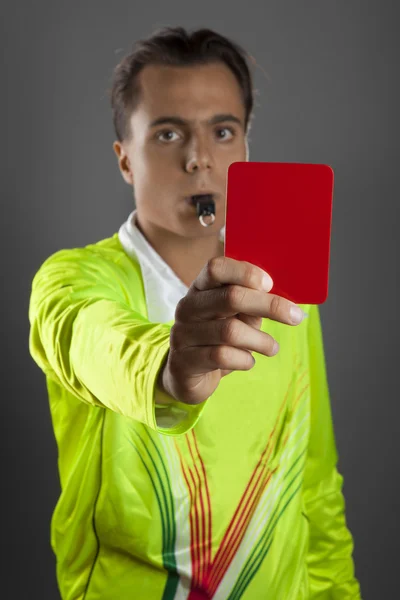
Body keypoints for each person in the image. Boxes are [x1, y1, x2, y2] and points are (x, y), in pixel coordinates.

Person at [29, 26, 361, 600]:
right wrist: (169, 367)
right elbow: (90, 337)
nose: (199, 159)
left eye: (223, 131)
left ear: (246, 150)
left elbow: (315, 487)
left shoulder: (285, 295)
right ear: (125, 159)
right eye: (167, 134)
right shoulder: (72, 279)